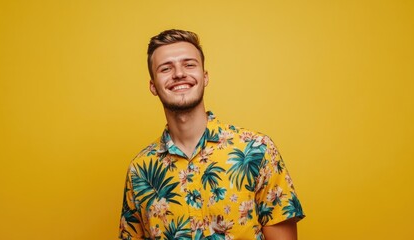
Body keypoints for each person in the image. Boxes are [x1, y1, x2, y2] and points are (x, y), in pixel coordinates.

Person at [119, 29, 304, 240]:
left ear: (205, 77)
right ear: (153, 86)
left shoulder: (257, 150)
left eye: (189, 64)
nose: (179, 73)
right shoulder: (139, 171)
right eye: (166, 68)